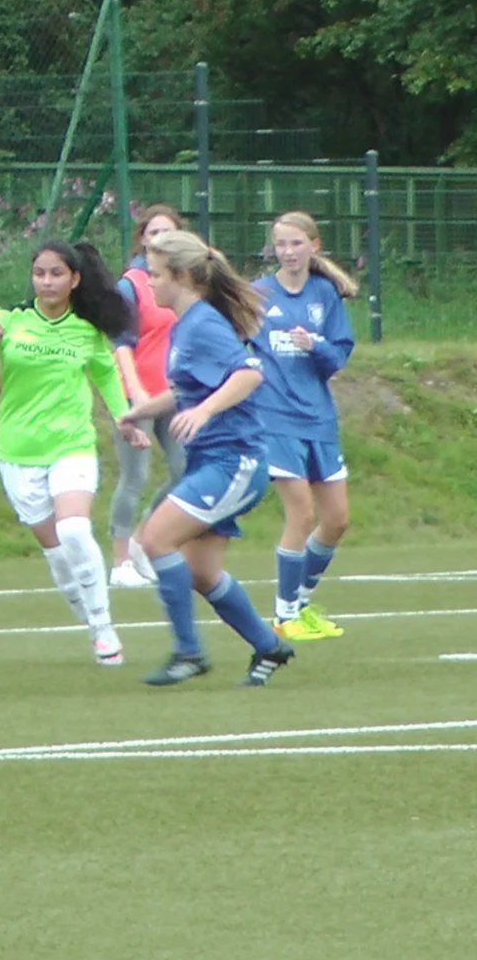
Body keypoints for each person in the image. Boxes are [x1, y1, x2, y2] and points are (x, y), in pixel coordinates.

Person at [0, 239, 145, 665]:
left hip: (70, 445)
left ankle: (103, 626)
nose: (47, 281)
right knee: (57, 554)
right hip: (17, 451)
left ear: (75, 279)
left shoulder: (86, 329)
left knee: (75, 530)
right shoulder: (7, 319)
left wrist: (123, 418)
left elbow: (106, 374)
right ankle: (88, 619)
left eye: (56, 274)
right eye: (40, 273)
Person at [122, 229, 298, 687]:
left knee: (154, 539)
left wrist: (204, 411)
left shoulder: (203, 323)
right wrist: (140, 412)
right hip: (212, 461)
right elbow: (187, 389)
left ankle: (188, 652)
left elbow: (247, 375)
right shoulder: (188, 324)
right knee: (202, 572)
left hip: (233, 461)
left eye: (155, 274)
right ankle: (268, 645)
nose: (149, 282)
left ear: (181, 276)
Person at [252, 210, 357, 640]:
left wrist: (314, 344)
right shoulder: (257, 295)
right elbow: (232, 349)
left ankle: (301, 603)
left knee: (337, 519)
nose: (288, 252)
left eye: (296, 243)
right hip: (275, 420)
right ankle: (284, 616)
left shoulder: (323, 295)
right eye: (280, 244)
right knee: (302, 513)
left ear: (314, 246)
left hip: (319, 419)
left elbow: (337, 358)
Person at [106, 205, 190, 588]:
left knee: (186, 471)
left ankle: (143, 540)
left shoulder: (183, 283)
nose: (158, 240)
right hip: (135, 395)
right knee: (134, 476)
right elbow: (120, 343)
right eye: (153, 233)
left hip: (173, 395)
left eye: (167, 233)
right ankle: (120, 562)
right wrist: (134, 394)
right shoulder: (131, 284)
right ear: (142, 238)